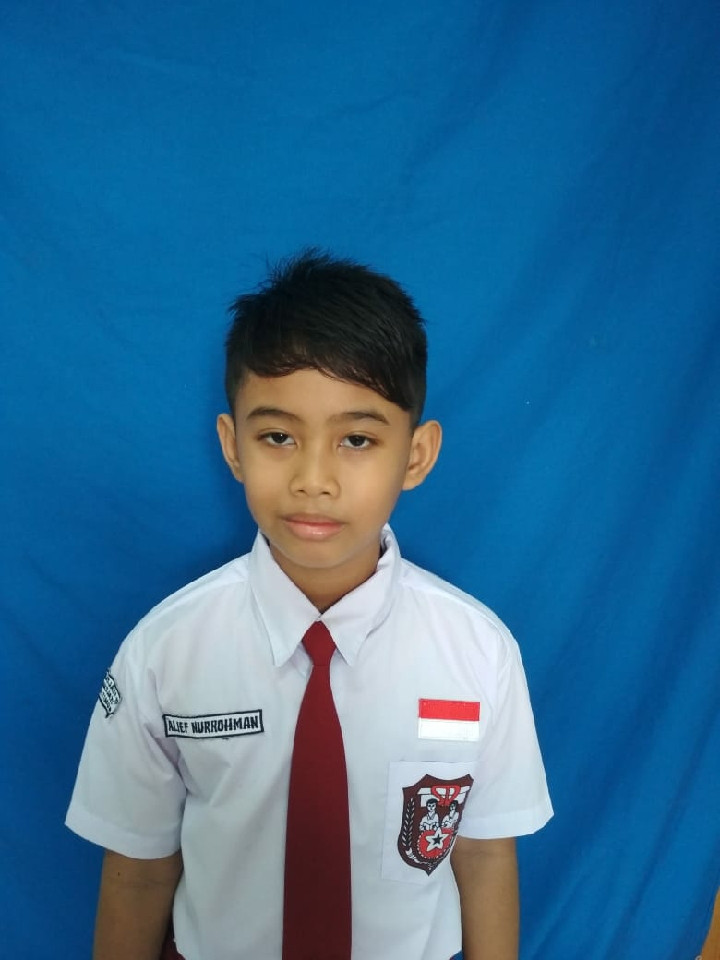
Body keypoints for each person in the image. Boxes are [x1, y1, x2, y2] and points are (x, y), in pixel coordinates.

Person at [66, 250, 553, 960]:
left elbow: (483, 857)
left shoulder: (479, 653)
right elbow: (139, 872)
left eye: (357, 439)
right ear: (233, 446)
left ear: (416, 455)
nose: (313, 479)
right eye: (278, 437)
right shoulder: (165, 651)